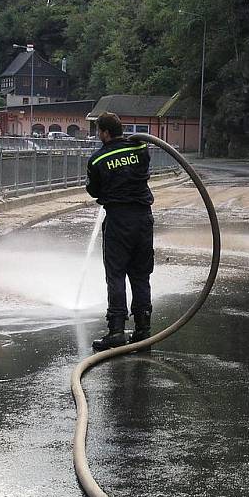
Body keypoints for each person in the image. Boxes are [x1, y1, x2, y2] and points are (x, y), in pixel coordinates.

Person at [86, 112, 154, 351]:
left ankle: (116, 330)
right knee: (141, 274)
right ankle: (143, 329)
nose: (98, 136)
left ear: (105, 132)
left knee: (116, 274)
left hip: (118, 220)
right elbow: (145, 169)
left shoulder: (97, 160)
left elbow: (94, 191)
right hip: (144, 219)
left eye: (98, 132)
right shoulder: (140, 148)